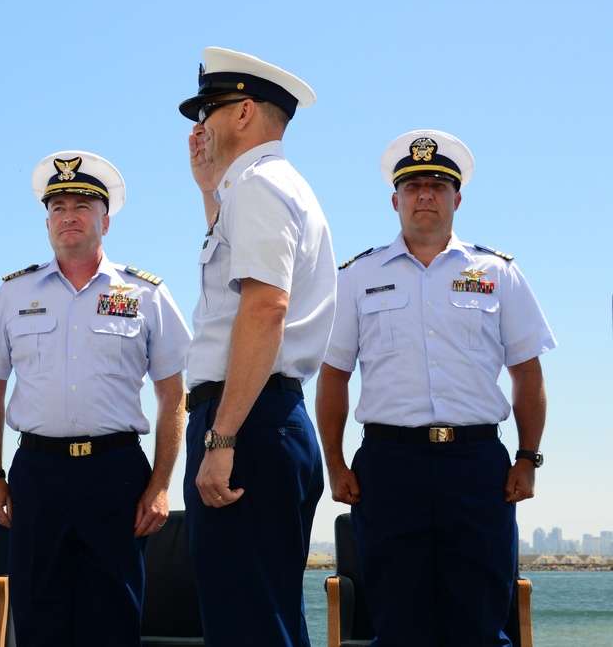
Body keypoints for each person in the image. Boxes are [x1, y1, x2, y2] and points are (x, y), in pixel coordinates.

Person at [316, 129, 556, 646]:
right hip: (388, 468)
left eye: (438, 185)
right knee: (398, 624)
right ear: (395, 199)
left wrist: (528, 457)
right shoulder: (357, 277)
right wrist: (334, 462)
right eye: (414, 185)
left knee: (479, 624)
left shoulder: (497, 274)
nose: (425, 195)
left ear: (457, 198)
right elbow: (334, 374)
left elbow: (527, 372)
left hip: (477, 470)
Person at [0, 151, 191, 647]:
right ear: (47, 221)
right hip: (37, 476)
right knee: (38, 614)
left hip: (117, 474)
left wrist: (159, 485)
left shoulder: (146, 294)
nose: (69, 215)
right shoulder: (13, 294)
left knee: (113, 616)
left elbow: (173, 394)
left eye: (83, 205)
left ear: (105, 220)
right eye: (59, 205)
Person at [178, 47, 337, 645]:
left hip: (246, 421)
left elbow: (265, 308)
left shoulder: (258, 186)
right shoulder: (263, 187)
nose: (201, 128)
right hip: (265, 418)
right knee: (267, 616)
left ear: (244, 112)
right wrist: (208, 190)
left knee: (245, 623)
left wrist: (222, 437)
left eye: (210, 110)